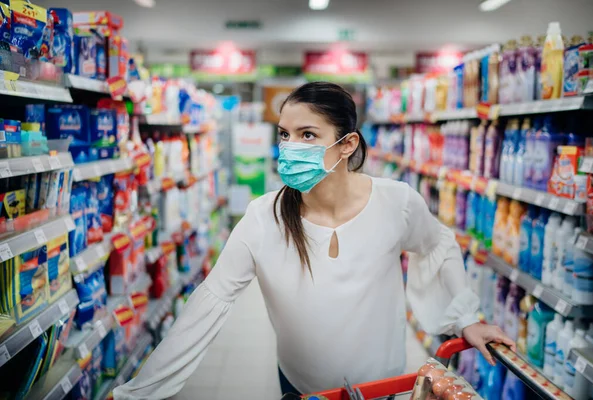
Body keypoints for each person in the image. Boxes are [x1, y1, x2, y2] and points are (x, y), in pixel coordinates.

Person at [114, 82, 515, 399]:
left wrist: (466, 319)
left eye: (308, 134)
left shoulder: (396, 202)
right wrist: (139, 392)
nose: (290, 147)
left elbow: (437, 245)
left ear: (347, 144)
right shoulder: (263, 217)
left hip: (385, 388)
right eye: (285, 134)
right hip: (301, 388)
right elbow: (209, 303)